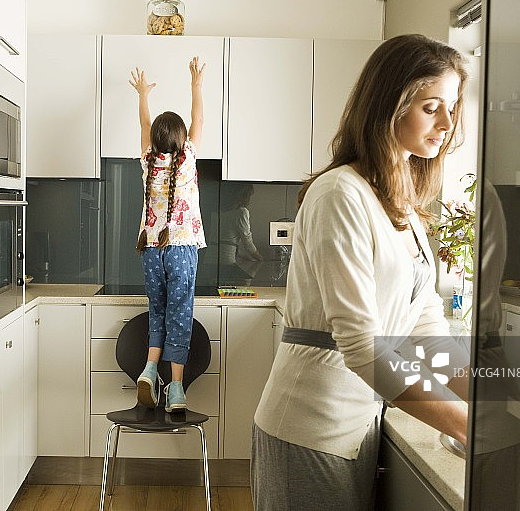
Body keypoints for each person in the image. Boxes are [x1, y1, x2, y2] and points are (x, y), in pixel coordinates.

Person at [251, 34, 472, 510]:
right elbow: (362, 346)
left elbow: (425, 329)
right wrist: (466, 425)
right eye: (432, 107)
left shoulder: (403, 205)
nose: (448, 123)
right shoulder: (340, 194)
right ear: (390, 105)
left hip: (356, 425)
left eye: (452, 107)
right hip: (311, 427)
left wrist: (491, 397)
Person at [128, 57, 206, 413]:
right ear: (182, 139)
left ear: (156, 141)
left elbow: (145, 123)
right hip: (181, 249)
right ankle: (175, 388)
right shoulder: (187, 159)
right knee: (179, 314)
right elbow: (199, 120)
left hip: (151, 251)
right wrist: (195, 85)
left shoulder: (148, 161)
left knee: (157, 311)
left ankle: (148, 370)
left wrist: (143, 94)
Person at [219, 183, 264, 283]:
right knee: (244, 286)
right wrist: (260, 259)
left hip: (210, 259)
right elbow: (247, 242)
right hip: (227, 261)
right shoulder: (241, 212)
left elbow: (225, 241)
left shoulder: (220, 210)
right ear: (245, 195)